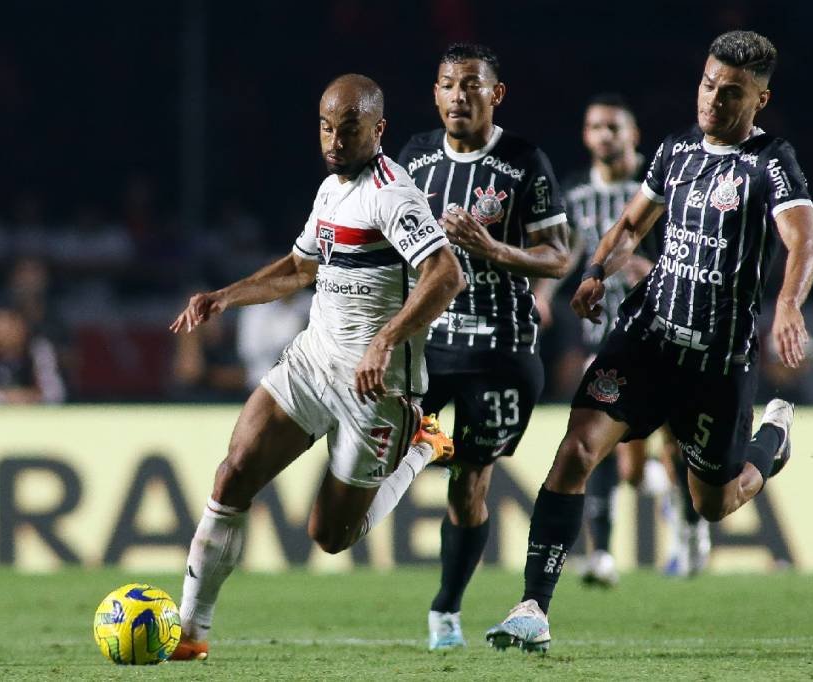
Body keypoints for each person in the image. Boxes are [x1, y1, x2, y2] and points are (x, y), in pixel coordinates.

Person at [486, 30, 813, 652]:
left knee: (714, 503)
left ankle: (772, 439)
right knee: (577, 452)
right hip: (647, 338)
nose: (714, 100)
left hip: (717, 362)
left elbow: (802, 241)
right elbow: (631, 224)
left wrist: (789, 305)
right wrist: (595, 272)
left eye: (732, 93)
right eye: (708, 84)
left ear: (760, 100)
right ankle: (533, 606)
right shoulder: (676, 150)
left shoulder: (772, 161)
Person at [168, 74, 464, 661]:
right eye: (326, 127)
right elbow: (300, 268)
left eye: (348, 129)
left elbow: (445, 274)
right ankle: (191, 632)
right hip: (312, 362)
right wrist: (222, 297)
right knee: (233, 476)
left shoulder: (391, 195)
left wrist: (385, 340)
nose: (333, 140)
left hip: (377, 387)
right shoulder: (332, 189)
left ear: (378, 130)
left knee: (329, 537)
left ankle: (421, 445)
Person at [397, 43, 570, 650]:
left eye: (471, 84)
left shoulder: (524, 162)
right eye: (447, 84)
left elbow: (557, 256)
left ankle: (446, 608)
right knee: (386, 445)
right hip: (428, 347)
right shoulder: (414, 158)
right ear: (436, 94)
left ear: (496, 94)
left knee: (469, 484)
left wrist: (494, 249)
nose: (458, 95)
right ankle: (426, 442)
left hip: (500, 350)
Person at [536, 93, 677, 586]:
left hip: (663, 337)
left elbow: (693, 254)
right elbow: (565, 253)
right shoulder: (575, 193)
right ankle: (602, 556)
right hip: (606, 340)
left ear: (633, 135)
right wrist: (541, 293)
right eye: (596, 127)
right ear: (585, 135)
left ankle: (671, 500)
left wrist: (654, 270)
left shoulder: (659, 188)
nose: (604, 136)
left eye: (614, 128)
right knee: (593, 443)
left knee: (642, 464)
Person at [0, 307, 66, 405]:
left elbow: (55, 392)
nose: (2, 333)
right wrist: (4, 398)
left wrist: (29, 397)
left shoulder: (37, 348)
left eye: (8, 328)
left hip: (33, 413)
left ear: (22, 328)